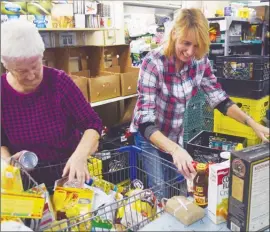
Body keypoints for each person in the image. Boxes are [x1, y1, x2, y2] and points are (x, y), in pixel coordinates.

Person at [130, 8, 269, 191]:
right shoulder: (153, 63)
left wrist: (253, 124)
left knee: (180, 186)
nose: (190, 52)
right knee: (160, 188)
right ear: (173, 35)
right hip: (149, 139)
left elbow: (219, 99)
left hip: (174, 136)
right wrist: (175, 150)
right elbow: (145, 122)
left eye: (196, 46)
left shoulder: (200, 61)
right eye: (186, 43)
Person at [1, 20, 102, 188]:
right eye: (22, 71)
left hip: (67, 176)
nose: (32, 76)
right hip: (25, 181)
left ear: (42, 56)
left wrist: (79, 156)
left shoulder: (59, 82)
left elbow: (93, 124)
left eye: (35, 66)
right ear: (7, 67)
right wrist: (7, 161)